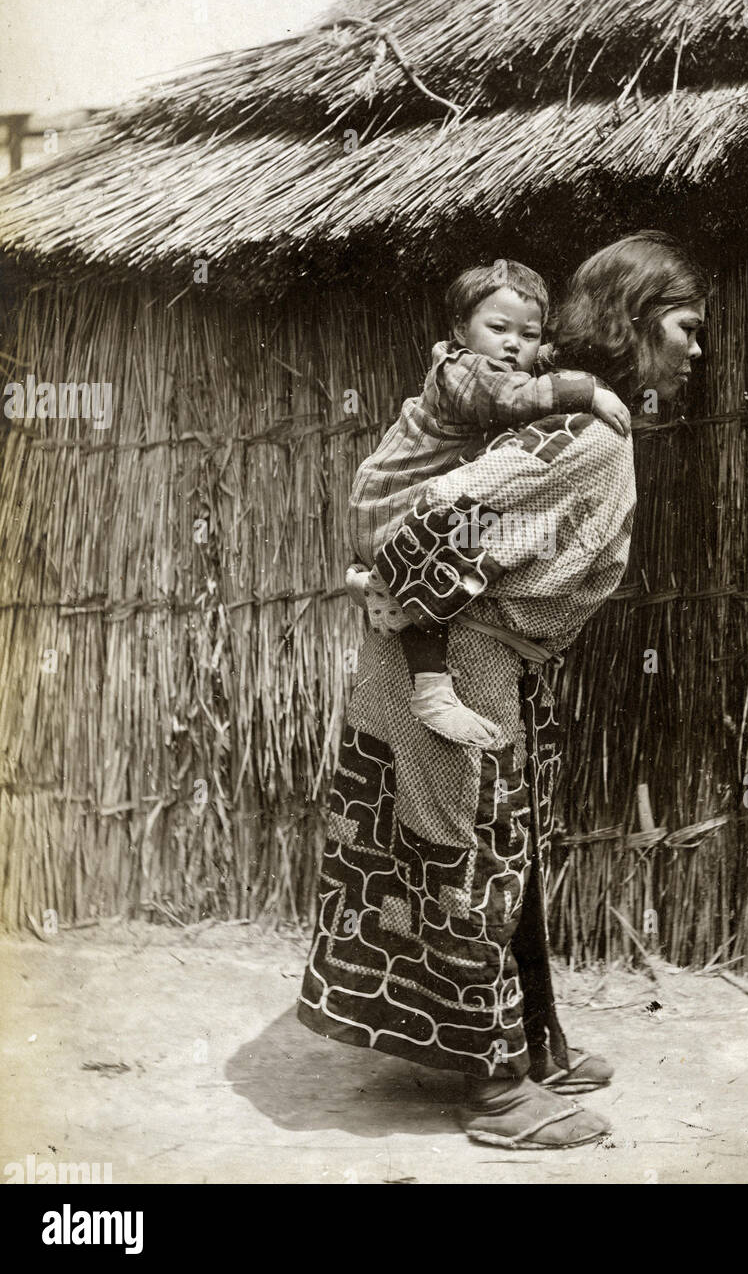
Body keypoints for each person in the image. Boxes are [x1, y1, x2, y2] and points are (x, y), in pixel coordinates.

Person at [298, 231, 709, 1149]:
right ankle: (493, 1090)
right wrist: (394, 594)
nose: (696, 347)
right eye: (686, 327)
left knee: (502, 857)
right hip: (453, 666)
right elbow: (435, 519)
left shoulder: (588, 425)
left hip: (481, 661)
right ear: (641, 323)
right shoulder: (585, 434)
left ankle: (533, 1043)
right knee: (467, 864)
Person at [344, 258, 631, 749]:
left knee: (430, 578)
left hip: (409, 506)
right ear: (460, 328)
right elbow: (511, 396)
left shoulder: (501, 364)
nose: (513, 343)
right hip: (391, 500)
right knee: (429, 579)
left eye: (529, 334)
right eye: (498, 327)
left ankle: (383, 592)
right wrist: (586, 393)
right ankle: (430, 687)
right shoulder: (459, 369)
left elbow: (528, 378)